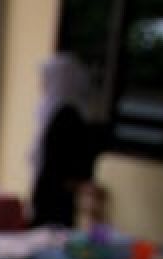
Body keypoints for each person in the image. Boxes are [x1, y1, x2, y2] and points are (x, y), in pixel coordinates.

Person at [30, 53, 97, 228]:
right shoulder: (55, 109)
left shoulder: (67, 114)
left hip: (57, 192)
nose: (42, 84)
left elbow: (60, 158)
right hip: (51, 188)